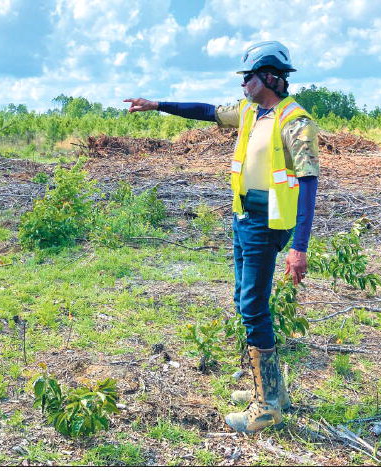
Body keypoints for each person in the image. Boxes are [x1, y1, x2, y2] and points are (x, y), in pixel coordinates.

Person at [124, 41, 319, 433]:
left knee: (253, 306)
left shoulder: (295, 121)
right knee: (242, 298)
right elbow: (205, 111)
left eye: (247, 76)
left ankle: (267, 408)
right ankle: (272, 391)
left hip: (268, 222)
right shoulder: (250, 111)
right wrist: (157, 104)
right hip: (243, 216)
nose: (242, 83)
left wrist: (299, 246)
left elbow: (310, 184)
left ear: (267, 77)